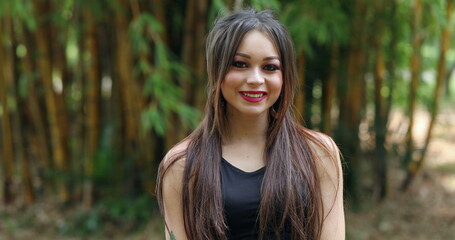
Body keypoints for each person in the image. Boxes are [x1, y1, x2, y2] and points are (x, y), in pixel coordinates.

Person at [156, 9, 345, 240]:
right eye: (240, 64)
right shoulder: (182, 164)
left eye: (270, 67)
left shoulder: (319, 152)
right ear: (217, 71)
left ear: (285, 77)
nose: (256, 79)